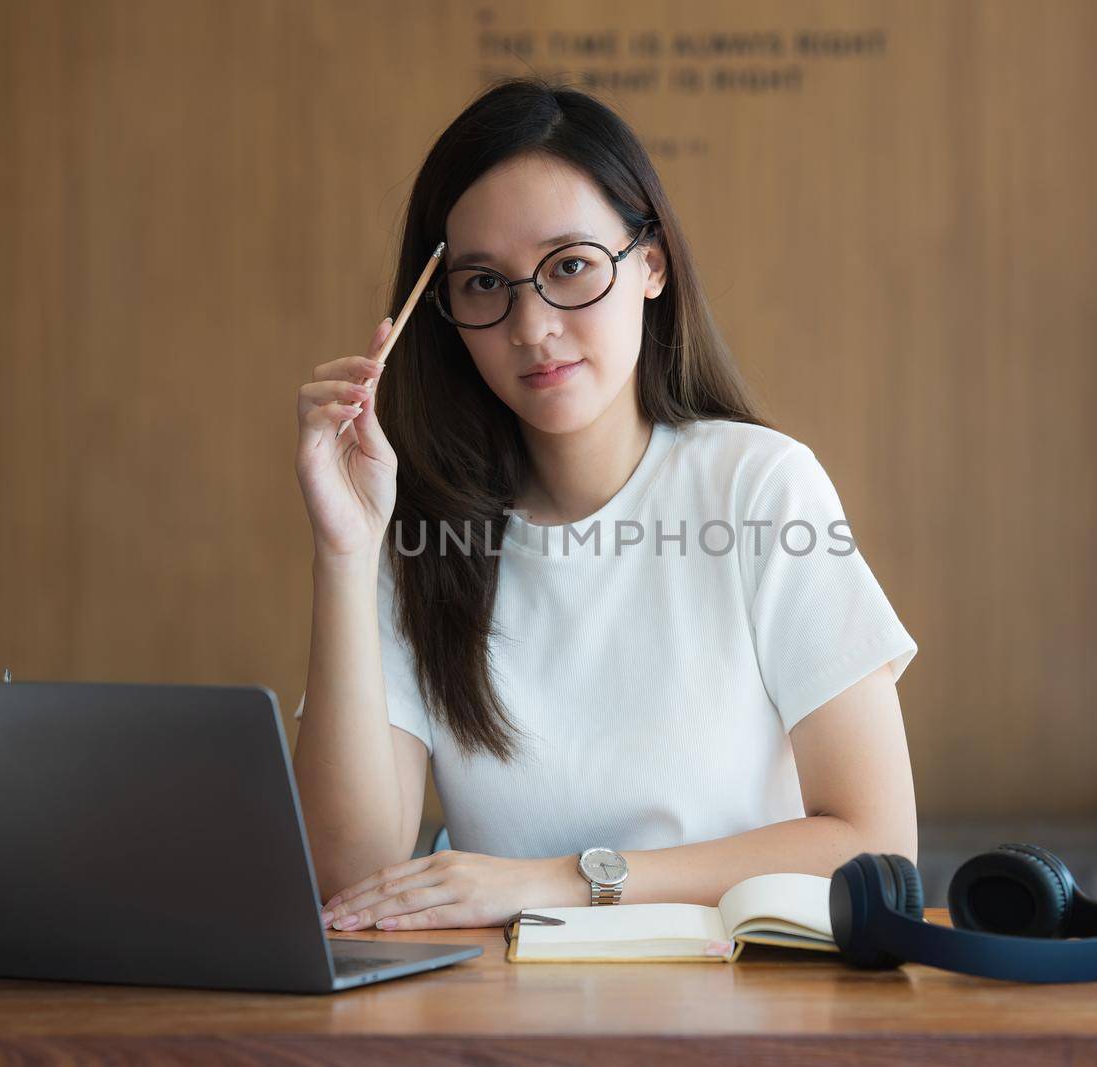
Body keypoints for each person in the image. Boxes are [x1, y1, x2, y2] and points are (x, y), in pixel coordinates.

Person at [293, 77, 918, 934]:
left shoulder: (761, 488)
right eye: (485, 284)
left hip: (745, 1011)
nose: (532, 325)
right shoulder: (417, 533)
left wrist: (562, 880)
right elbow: (351, 877)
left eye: (570, 267)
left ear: (650, 265)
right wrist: (343, 551)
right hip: (499, 1027)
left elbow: (878, 846)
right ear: (440, 312)